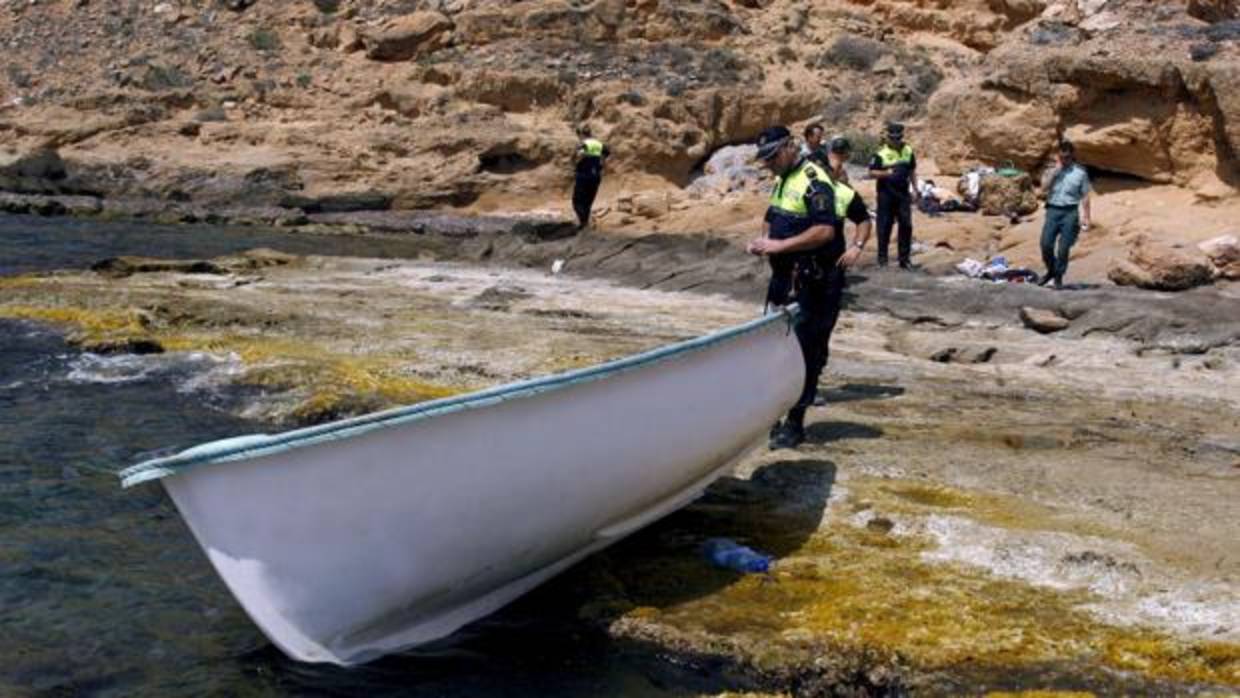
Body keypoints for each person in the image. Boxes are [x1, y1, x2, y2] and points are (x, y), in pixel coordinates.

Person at [747, 125, 873, 450]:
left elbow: (825, 232)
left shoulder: (817, 182)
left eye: (773, 156)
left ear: (790, 147)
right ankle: (772, 414)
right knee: (773, 348)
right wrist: (764, 241)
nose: (769, 164)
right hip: (783, 279)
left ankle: (795, 423)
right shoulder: (782, 179)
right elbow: (771, 215)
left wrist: (856, 246)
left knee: (805, 352)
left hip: (814, 282)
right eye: (765, 160)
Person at [1038, 140, 1092, 289]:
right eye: (1062, 157)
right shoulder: (1052, 170)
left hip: (1070, 212)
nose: (1064, 160)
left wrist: (1087, 216)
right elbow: (1043, 188)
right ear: (1058, 156)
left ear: (1072, 155)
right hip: (1053, 210)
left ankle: (1058, 277)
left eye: (1067, 157)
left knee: (1063, 247)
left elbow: (1085, 196)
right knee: (1045, 244)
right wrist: (1055, 171)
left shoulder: (1080, 173)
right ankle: (1051, 270)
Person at [868, 122, 917, 269]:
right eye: (893, 138)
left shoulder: (908, 150)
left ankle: (904, 259)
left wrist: (916, 189)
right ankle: (882, 259)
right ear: (888, 137)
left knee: (906, 225)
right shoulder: (880, 153)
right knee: (884, 226)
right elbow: (871, 172)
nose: (895, 141)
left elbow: (912, 171)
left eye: (898, 138)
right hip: (886, 194)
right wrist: (886, 173)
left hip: (903, 194)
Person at [572, 127, 609, 230]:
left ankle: (583, 224)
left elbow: (580, 154)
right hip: (596, 175)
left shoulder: (583, 143)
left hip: (584, 175)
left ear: (581, 134)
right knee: (588, 201)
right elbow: (606, 153)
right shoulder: (599, 143)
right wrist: (601, 164)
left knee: (577, 201)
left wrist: (576, 162)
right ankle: (585, 223)